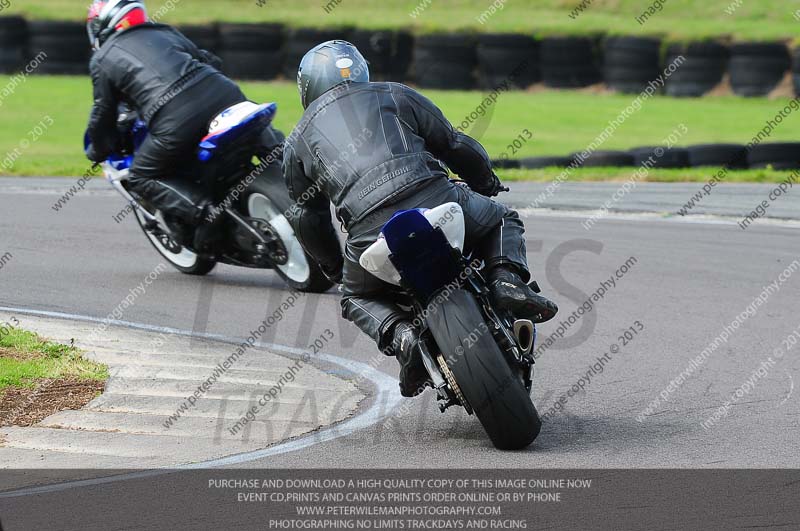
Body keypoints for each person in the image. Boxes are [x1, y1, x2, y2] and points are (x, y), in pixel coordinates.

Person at [283, 41, 558, 397]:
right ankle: (506, 279)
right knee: (503, 218)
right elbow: (454, 145)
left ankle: (401, 337)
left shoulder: (297, 142)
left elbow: (308, 216)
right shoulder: (394, 94)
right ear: (363, 71)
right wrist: (485, 182)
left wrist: (335, 270)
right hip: (434, 197)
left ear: (307, 87)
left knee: (354, 298)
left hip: (369, 229)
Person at [84, 0, 281, 248]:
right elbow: (211, 61)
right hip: (224, 92)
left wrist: (98, 150)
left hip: (177, 117)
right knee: (258, 132)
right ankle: (289, 166)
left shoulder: (103, 58)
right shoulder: (163, 31)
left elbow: (103, 112)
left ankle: (208, 213)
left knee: (141, 177)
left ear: (102, 26)